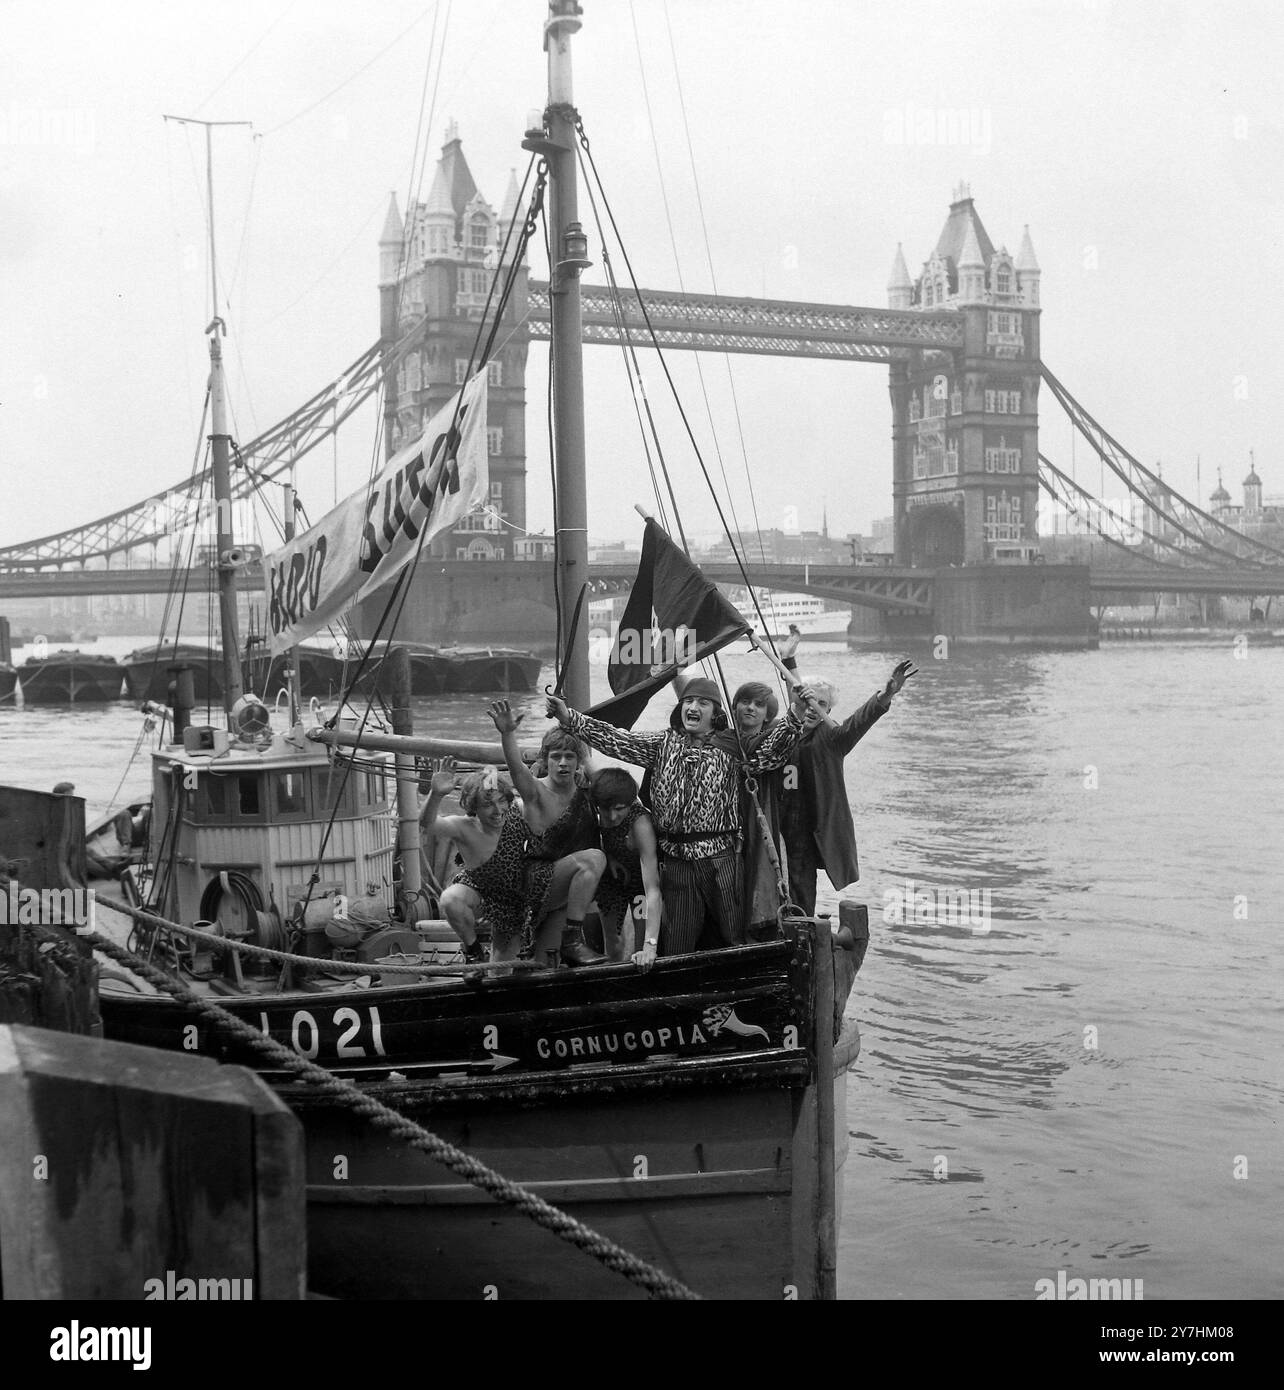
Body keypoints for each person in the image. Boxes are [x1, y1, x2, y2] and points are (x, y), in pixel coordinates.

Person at [546, 673, 811, 957]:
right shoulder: (662, 744)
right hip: (676, 860)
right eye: (688, 701)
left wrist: (795, 712)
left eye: (702, 703)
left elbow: (774, 753)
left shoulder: (734, 745)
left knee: (735, 937)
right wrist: (570, 718)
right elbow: (616, 739)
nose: (693, 707)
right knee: (678, 944)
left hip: (721, 857)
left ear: (716, 713)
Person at [778, 657, 917, 915]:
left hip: (806, 829)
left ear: (828, 712)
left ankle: (803, 931)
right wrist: (789, 658)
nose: (812, 708)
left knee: (800, 885)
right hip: (776, 821)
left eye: (821, 704)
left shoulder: (832, 739)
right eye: (809, 701)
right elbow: (792, 689)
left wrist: (885, 695)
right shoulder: (781, 732)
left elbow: (857, 723)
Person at [488, 700, 606, 967]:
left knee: (545, 968)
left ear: (579, 762)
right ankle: (573, 941)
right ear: (545, 760)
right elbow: (517, 770)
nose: (563, 763)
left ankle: (571, 940)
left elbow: (618, 791)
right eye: (556, 757)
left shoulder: (586, 794)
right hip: (527, 889)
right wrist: (507, 734)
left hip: (561, 892)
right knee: (501, 969)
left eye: (570, 757)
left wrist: (586, 754)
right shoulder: (535, 793)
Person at [419, 758, 517, 963]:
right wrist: (436, 794)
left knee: (503, 967)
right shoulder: (463, 826)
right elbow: (427, 824)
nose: (498, 811)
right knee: (450, 899)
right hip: (479, 892)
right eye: (488, 804)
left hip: (516, 899)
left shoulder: (521, 816)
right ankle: (473, 951)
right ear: (474, 807)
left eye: (501, 801)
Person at [589, 766, 662, 970]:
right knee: (613, 944)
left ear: (630, 803)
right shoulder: (596, 804)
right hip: (613, 880)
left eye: (619, 809)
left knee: (640, 945)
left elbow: (652, 888)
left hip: (640, 887)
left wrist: (650, 944)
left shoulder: (640, 824)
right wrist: (608, 856)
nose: (612, 817)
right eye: (605, 810)